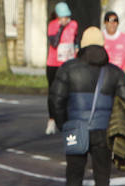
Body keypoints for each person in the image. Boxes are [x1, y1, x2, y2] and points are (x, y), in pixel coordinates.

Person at [50, 26, 125, 186]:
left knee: (73, 179)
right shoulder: (113, 72)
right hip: (103, 131)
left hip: (75, 129)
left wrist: (64, 123)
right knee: (102, 180)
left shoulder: (68, 69)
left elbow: (55, 99)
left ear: (82, 45)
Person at [45, 2, 78, 135]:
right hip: (53, 63)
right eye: (62, 17)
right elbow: (54, 43)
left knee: (69, 92)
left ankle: (67, 119)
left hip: (68, 63)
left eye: (67, 16)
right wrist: (60, 28)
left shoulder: (74, 24)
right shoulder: (52, 25)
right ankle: (52, 119)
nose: (65, 19)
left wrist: (77, 48)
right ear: (58, 16)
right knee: (53, 92)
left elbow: (76, 39)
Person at [101, 10, 125, 82]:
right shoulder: (100, 38)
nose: (112, 23)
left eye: (115, 20)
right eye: (109, 20)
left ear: (118, 23)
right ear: (105, 22)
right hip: (105, 80)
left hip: (123, 80)